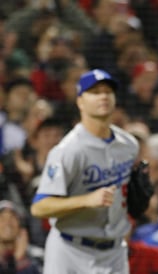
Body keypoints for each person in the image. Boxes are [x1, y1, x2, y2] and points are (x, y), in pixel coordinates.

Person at [30, 69, 140, 274]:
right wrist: (86, 200)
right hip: (70, 250)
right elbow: (39, 207)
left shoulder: (129, 145)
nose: (103, 96)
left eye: (108, 91)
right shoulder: (68, 150)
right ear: (80, 101)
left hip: (114, 251)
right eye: (95, 92)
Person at [0, 200, 41, 274]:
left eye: (12, 217)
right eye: (2, 218)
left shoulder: (37, 256)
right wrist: (18, 259)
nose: (8, 223)